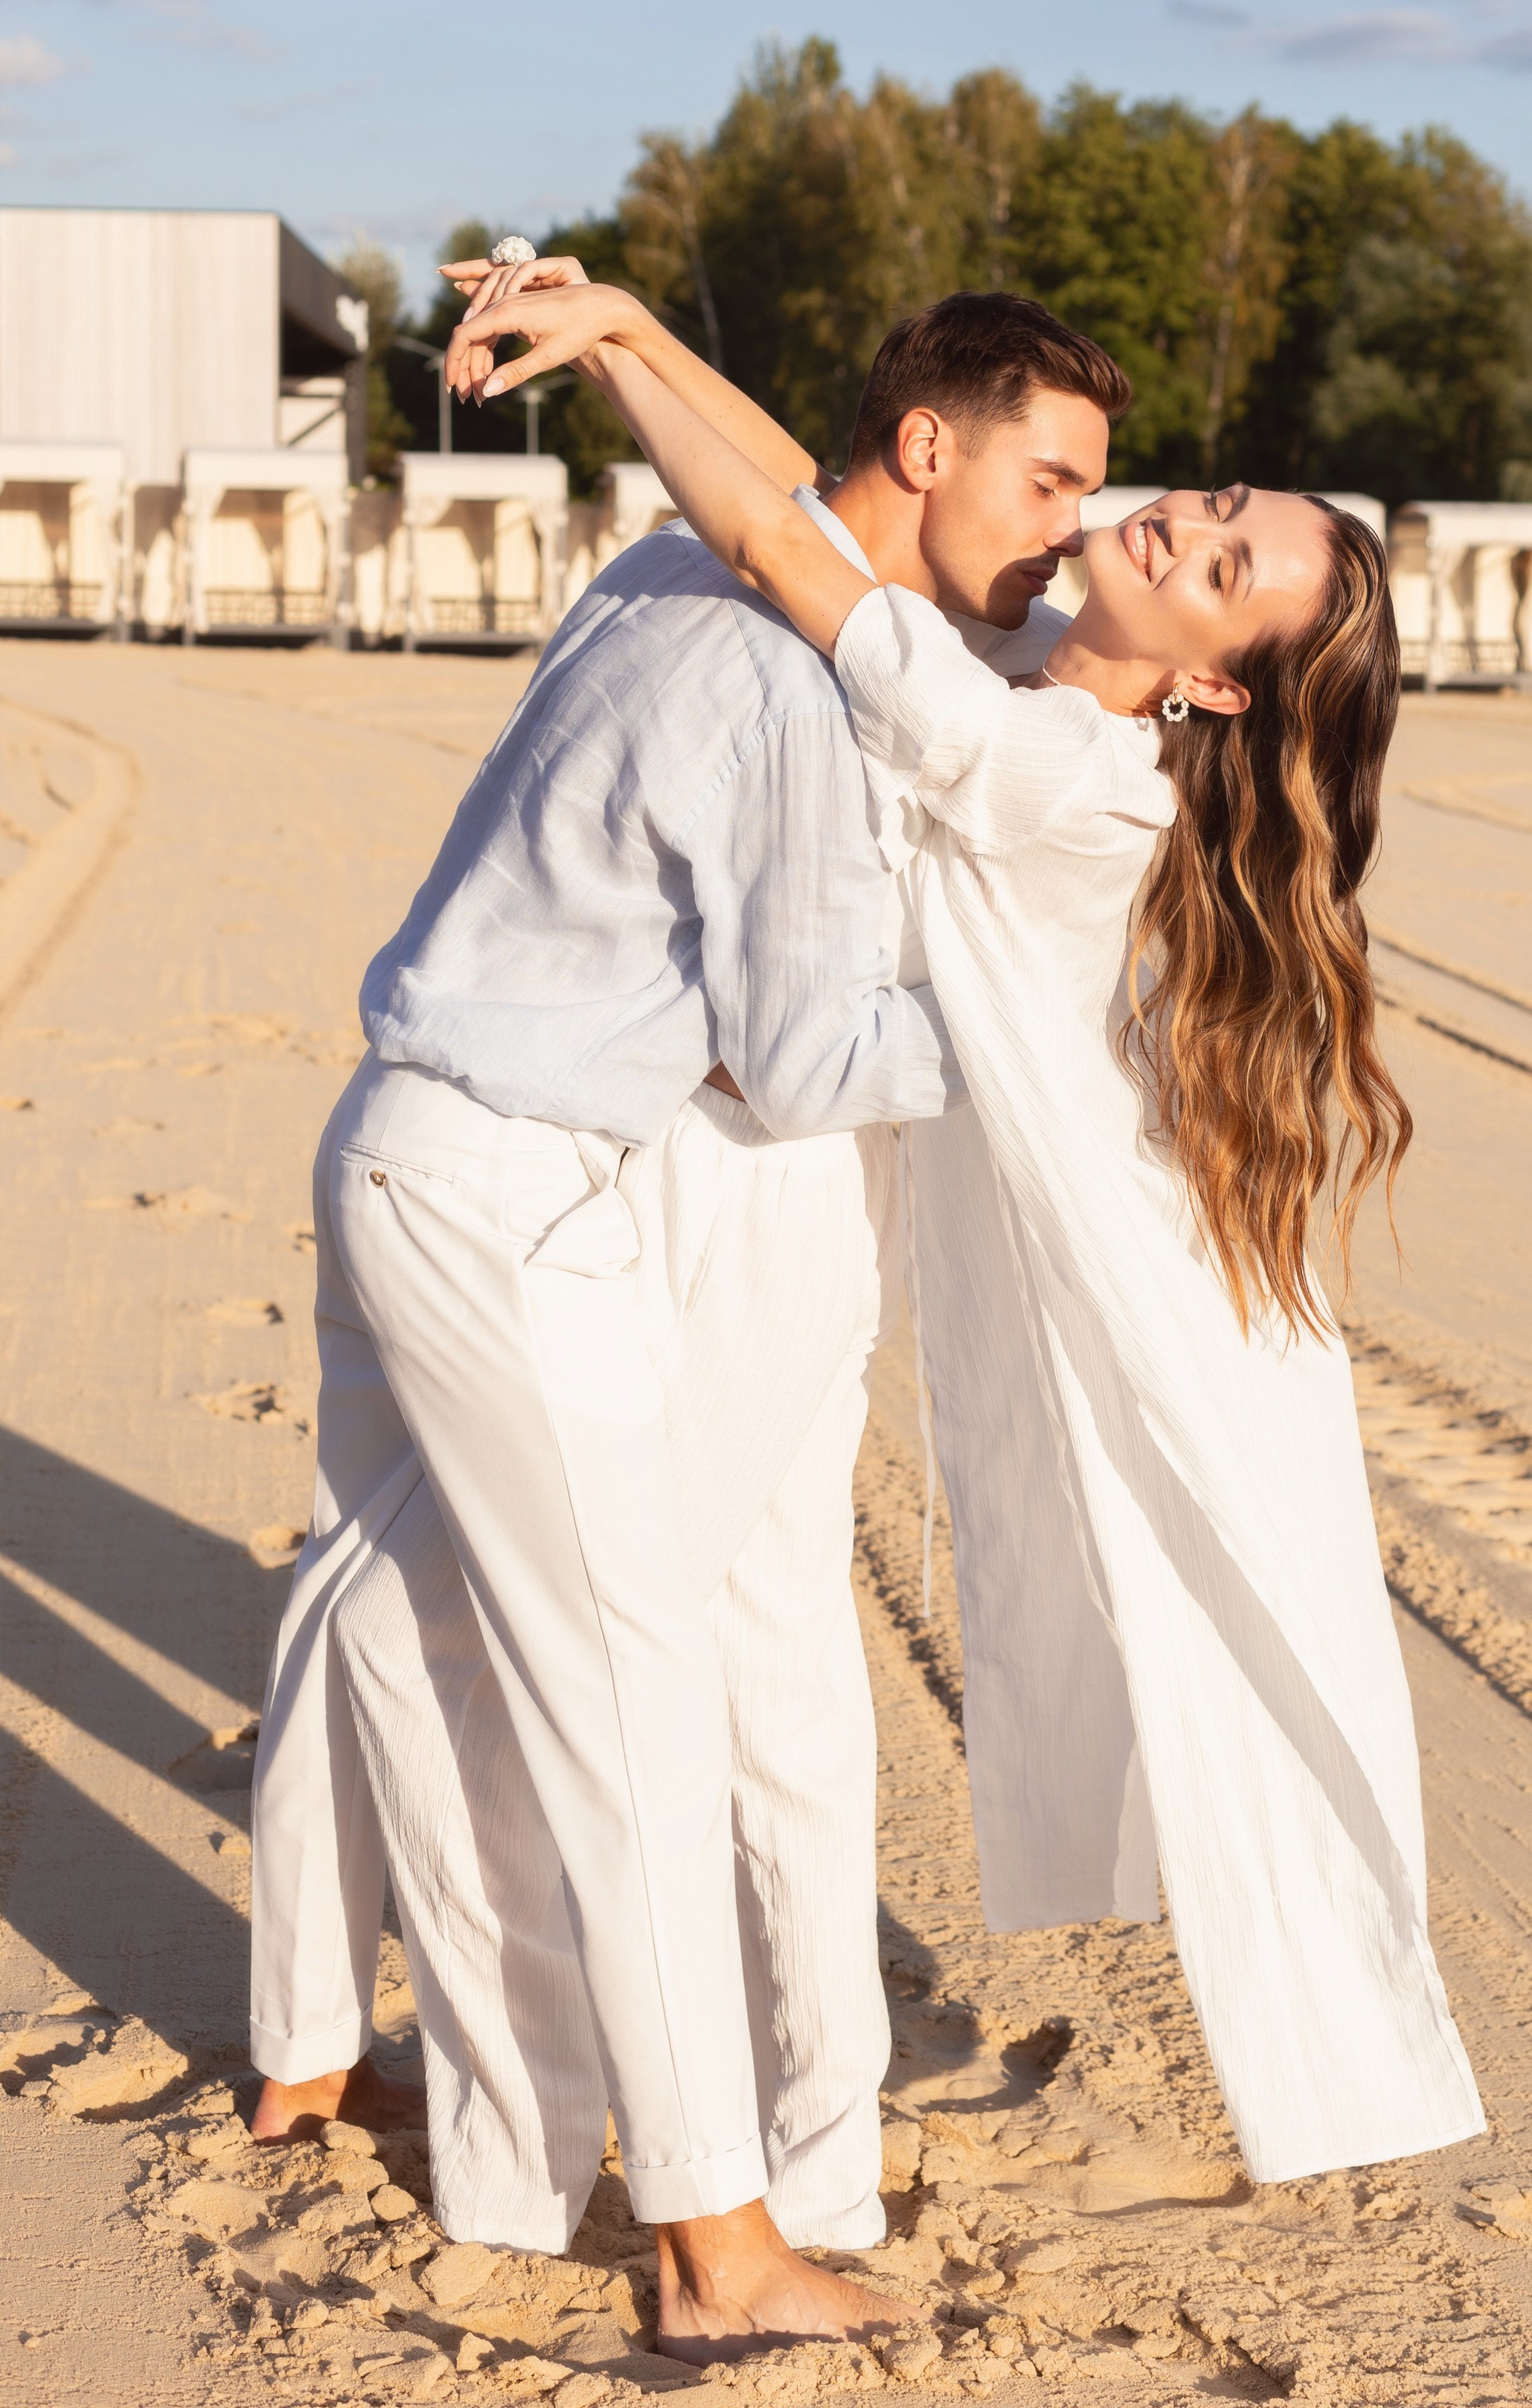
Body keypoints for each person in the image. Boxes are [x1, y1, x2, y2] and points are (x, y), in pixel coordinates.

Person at [441, 273, 1488, 2183]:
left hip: (793, 1202)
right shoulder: (1013, 678)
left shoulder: (1057, 769)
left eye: (1223, 564)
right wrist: (635, 331)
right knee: (724, 1646)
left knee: (693, 1646)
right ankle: (755, 2122)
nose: (1173, 523)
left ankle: (662, 2108)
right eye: (1216, 501)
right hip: (766, 1168)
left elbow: (783, 543)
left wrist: (610, 346)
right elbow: (838, 502)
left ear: (1215, 684)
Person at [245, 283, 1129, 2355]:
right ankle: (718, 2244)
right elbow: (805, 1064)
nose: (1072, 529)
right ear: (928, 449)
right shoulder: (799, 705)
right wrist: (1022, 1032)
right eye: (1051, 479)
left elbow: (782, 502)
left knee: (373, 1589)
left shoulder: (669, 562)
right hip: (510, 1198)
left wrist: (634, 335)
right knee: (632, 1702)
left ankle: (303, 2051)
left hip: (390, 1132)